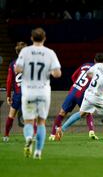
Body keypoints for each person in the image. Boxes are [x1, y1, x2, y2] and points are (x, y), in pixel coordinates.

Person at [15, 28, 61, 159]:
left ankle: (29, 138)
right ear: (44, 38)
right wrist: (51, 72)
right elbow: (58, 73)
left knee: (29, 122)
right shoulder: (49, 53)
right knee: (41, 122)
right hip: (43, 92)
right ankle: (38, 152)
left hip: (29, 92)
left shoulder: (25, 51)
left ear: (31, 38)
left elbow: (17, 69)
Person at [56, 50, 103, 140]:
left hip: (88, 93)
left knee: (82, 113)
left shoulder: (97, 66)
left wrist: (95, 80)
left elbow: (88, 74)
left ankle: (61, 129)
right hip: (97, 97)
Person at [48, 53, 103, 141]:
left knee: (62, 113)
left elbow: (73, 76)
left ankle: (52, 134)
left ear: (94, 60)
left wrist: (77, 86)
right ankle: (91, 132)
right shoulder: (100, 71)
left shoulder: (85, 65)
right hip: (83, 93)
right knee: (88, 112)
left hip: (73, 91)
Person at [3, 42, 29, 142]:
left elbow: (9, 81)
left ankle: (6, 136)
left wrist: (8, 95)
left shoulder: (12, 64)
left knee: (11, 115)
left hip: (18, 94)